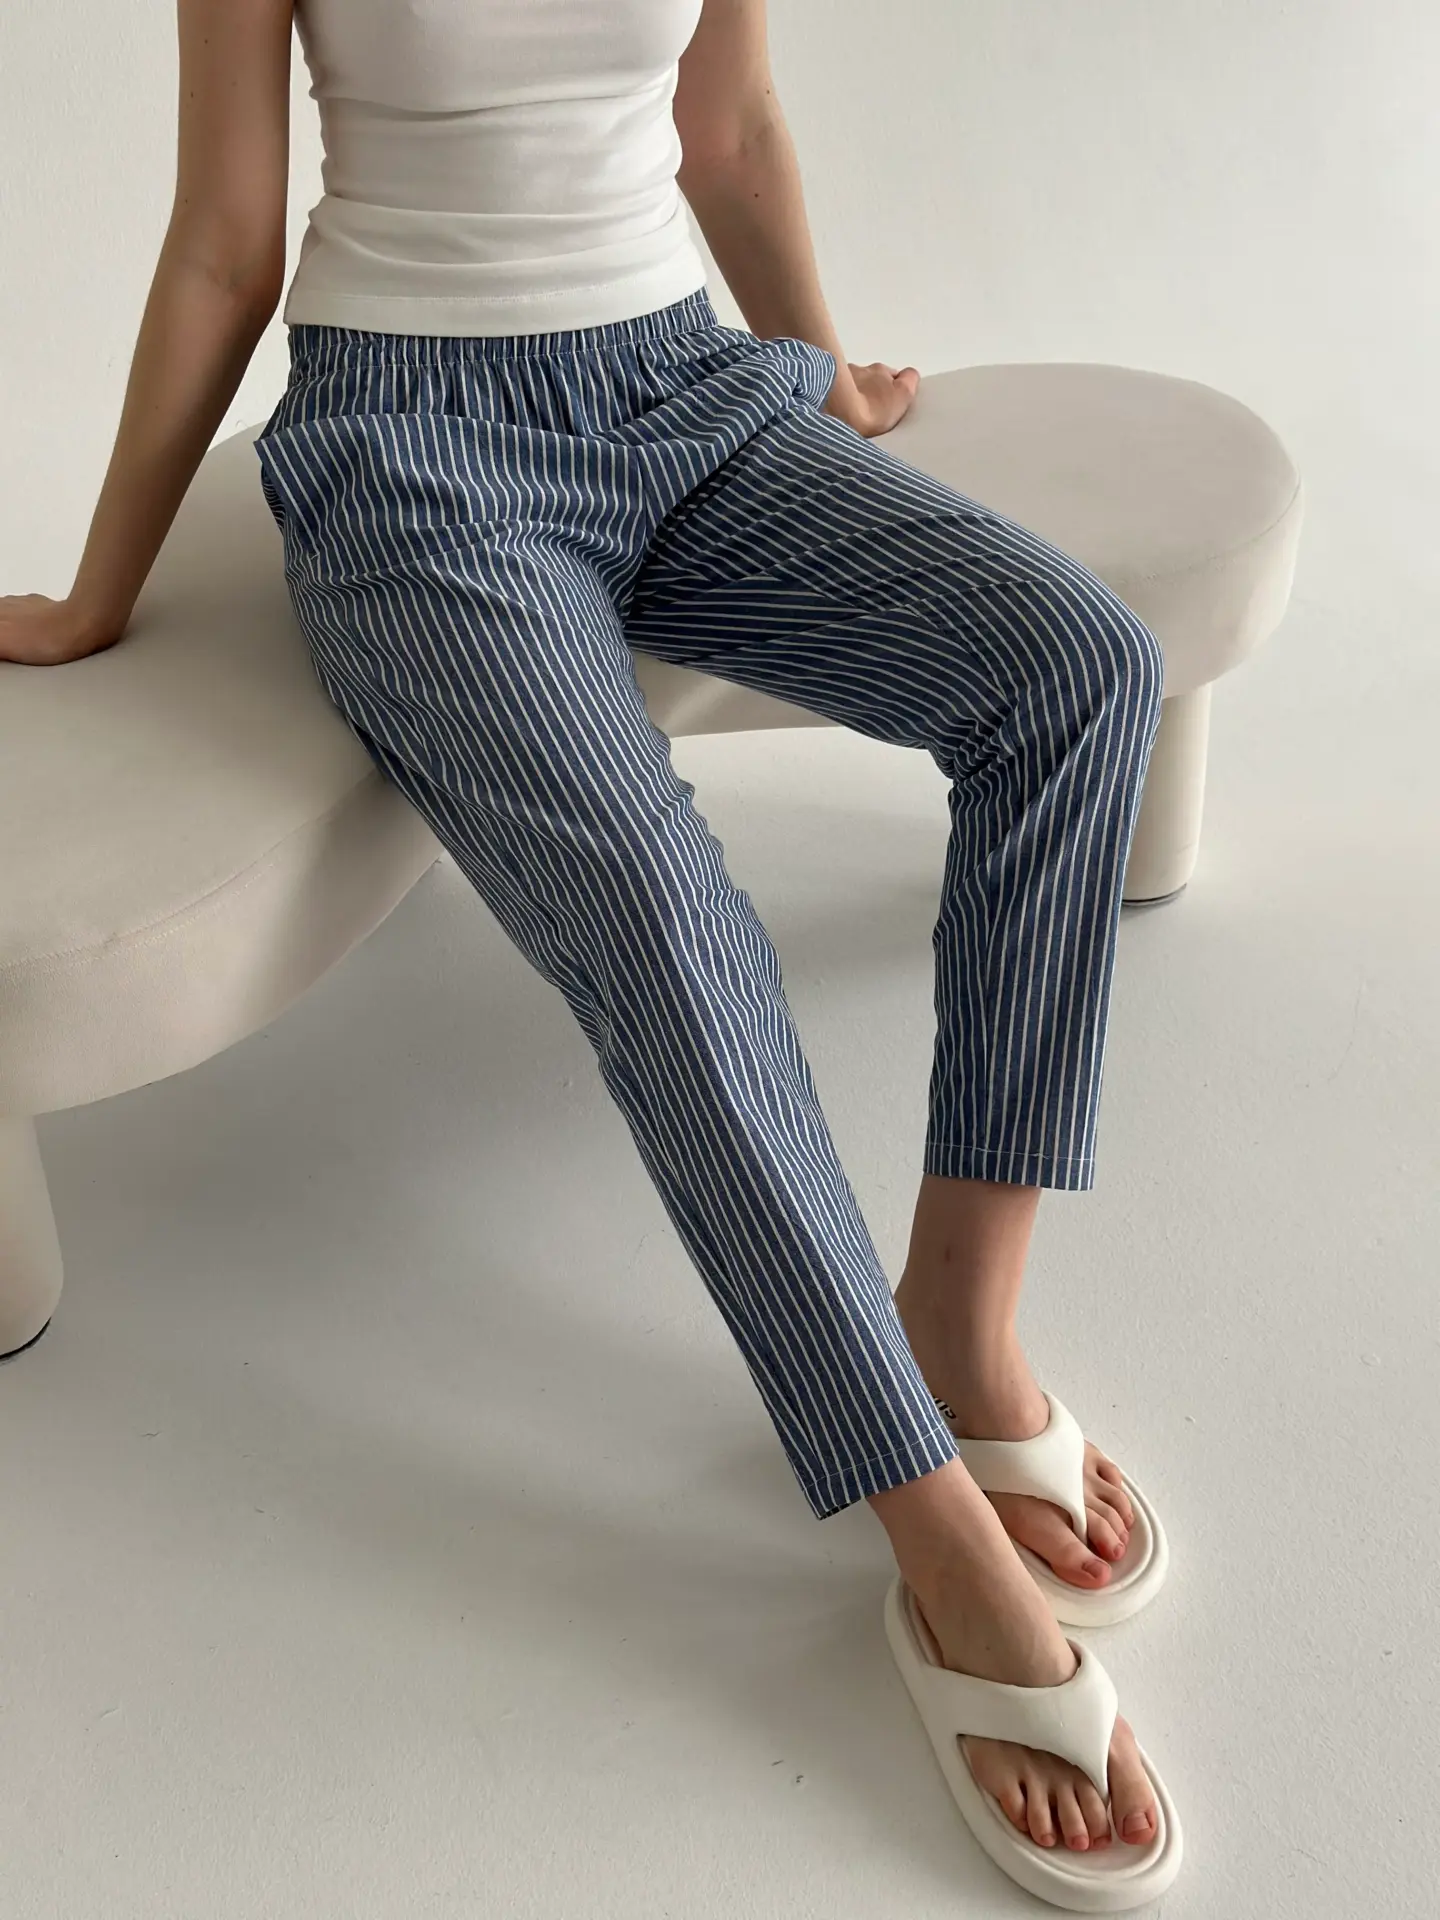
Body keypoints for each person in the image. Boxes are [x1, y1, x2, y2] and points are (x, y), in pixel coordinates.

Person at [0, 2, 1180, 1905]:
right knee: (664, 919)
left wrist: (819, 371)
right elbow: (226, 238)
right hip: (413, 456)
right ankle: (932, 1529)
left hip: (688, 392)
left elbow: (731, 125)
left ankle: (959, 1329)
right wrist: (98, 589)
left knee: (1076, 671)